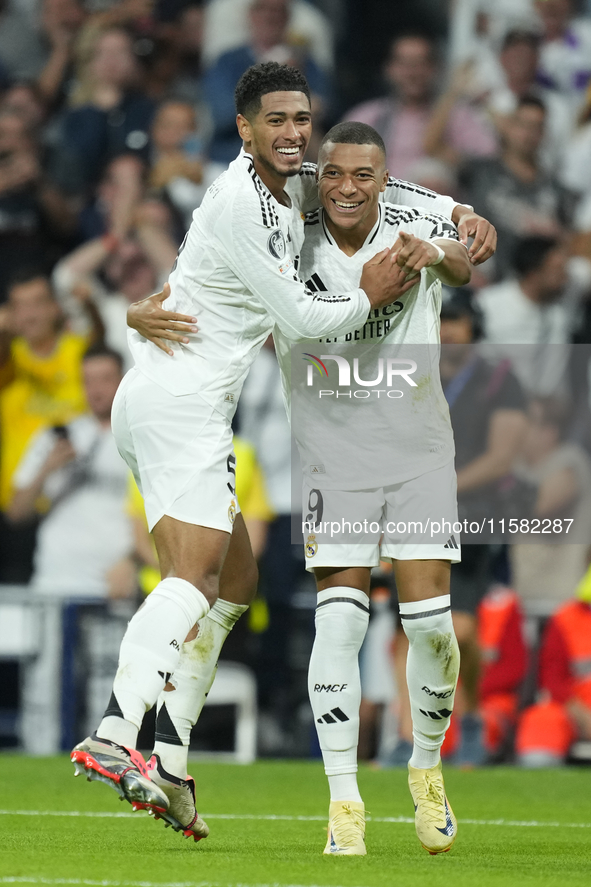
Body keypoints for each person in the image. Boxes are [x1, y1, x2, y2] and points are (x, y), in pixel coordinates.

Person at [71, 60, 463, 837]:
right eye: (274, 120)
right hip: (179, 403)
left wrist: (466, 220)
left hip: (182, 401)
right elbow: (308, 318)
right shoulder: (240, 205)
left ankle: (173, 761)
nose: (291, 133)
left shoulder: (295, 179)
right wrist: (373, 294)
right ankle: (116, 734)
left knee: (234, 579)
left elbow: (387, 187)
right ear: (242, 127)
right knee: (193, 572)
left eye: (299, 119)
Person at [342, 33, 496, 182]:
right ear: (389, 69)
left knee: (431, 174)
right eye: (404, 64)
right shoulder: (367, 116)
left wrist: (454, 159)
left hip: (438, 201)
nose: (412, 73)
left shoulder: (458, 115)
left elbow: (489, 160)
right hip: (381, 202)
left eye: (421, 63)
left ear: (435, 68)